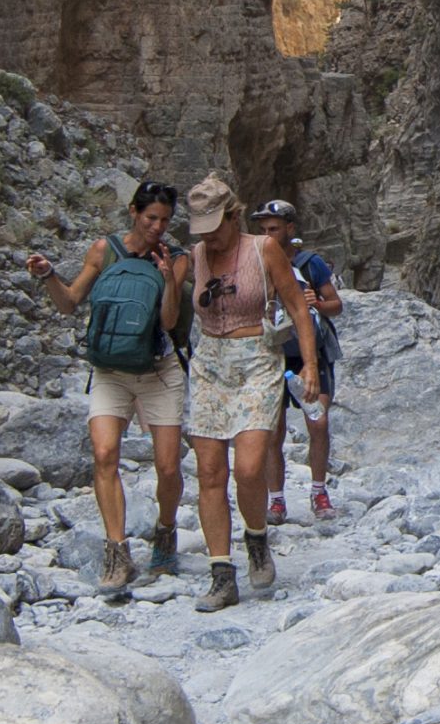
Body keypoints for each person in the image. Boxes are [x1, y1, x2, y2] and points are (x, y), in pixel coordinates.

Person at [26, 181, 192, 598]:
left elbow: (170, 323)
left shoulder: (177, 257)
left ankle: (166, 532)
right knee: (104, 454)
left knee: (169, 467)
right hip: (110, 370)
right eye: (151, 217)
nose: (157, 226)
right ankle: (117, 553)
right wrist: (49, 276)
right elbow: (69, 302)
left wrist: (170, 281)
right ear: (134, 211)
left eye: (165, 220)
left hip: (158, 368)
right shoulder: (104, 250)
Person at [180, 172, 323, 611]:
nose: (211, 239)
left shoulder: (263, 250)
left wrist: (311, 366)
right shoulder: (196, 256)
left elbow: (298, 306)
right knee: (209, 472)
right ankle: (222, 573)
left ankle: (256, 536)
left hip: (257, 361)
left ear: (233, 216)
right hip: (210, 363)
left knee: (247, 467)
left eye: (216, 228)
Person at [254, 199, 344, 522]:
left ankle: (319, 491)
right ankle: (276, 500)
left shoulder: (311, 264)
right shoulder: (257, 263)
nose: (267, 234)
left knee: (317, 423)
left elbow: (337, 305)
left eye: (273, 228)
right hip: (273, 355)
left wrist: (317, 302)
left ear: (289, 229)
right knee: (272, 431)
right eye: (262, 229)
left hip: (313, 354)